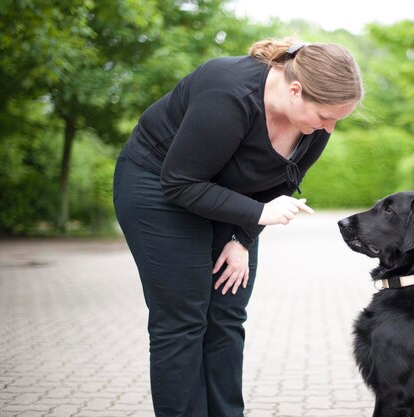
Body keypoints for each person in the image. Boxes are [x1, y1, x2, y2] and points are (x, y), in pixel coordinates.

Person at [112, 37, 363, 417]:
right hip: (159, 188)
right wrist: (259, 215)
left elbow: (281, 185)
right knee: (183, 320)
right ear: (295, 91)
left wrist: (242, 239)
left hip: (225, 197)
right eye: (325, 116)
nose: (329, 128)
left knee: (226, 315)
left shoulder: (314, 129)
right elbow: (180, 182)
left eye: (336, 120)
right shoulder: (228, 92)